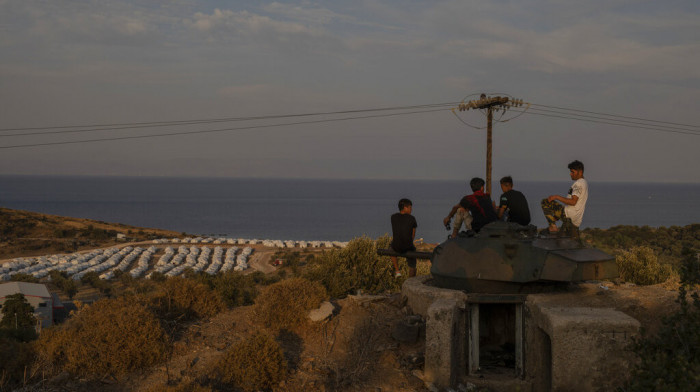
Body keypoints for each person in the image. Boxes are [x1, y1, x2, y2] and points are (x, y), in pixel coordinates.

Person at [541, 160, 588, 234]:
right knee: (559, 212)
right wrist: (556, 216)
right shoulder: (584, 183)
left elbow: (573, 202)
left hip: (569, 215)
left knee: (545, 202)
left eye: (573, 172)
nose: (570, 174)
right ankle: (554, 222)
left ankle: (552, 226)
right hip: (576, 221)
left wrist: (556, 197)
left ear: (580, 172)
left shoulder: (578, 184)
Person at [390, 198, 418, 278]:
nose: (411, 209)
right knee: (413, 264)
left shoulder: (393, 217)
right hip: (408, 246)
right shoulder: (412, 219)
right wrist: (408, 243)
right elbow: (413, 235)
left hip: (396, 246)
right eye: (410, 207)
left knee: (390, 248)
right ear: (405, 208)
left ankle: (397, 270)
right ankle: (410, 281)